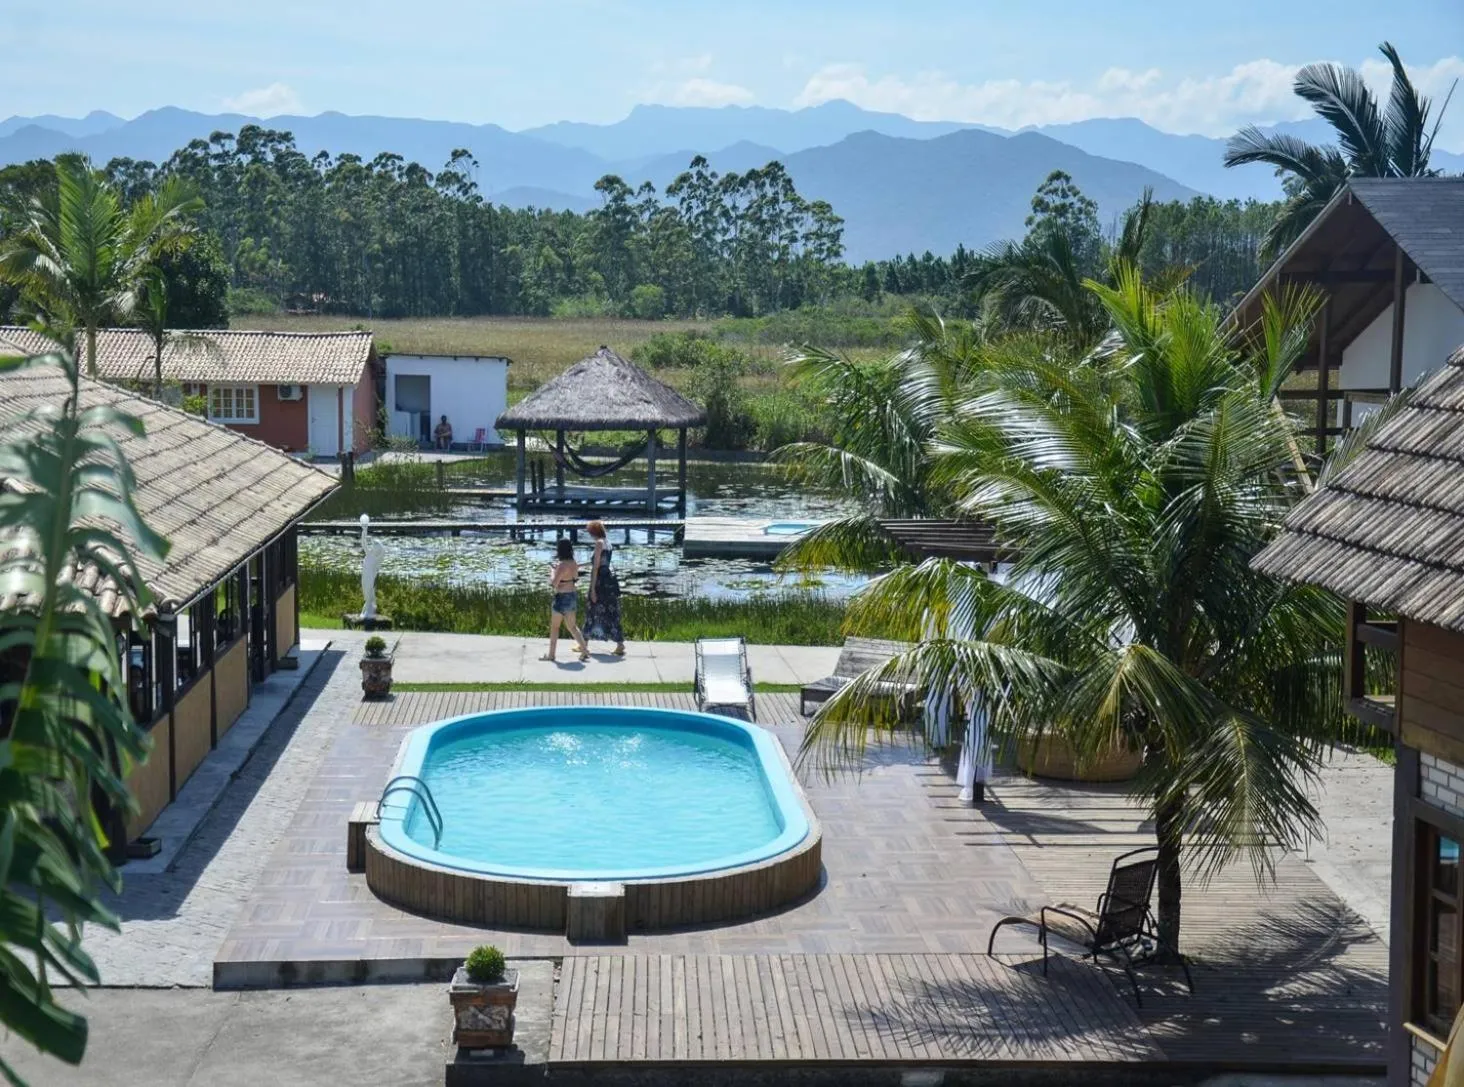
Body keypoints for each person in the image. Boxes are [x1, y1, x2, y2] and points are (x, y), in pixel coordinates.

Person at [542, 539, 589, 662]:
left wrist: (552, 571)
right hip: (572, 595)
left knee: (555, 627)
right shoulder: (573, 562)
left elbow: (554, 584)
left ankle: (551, 655)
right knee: (573, 627)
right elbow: (575, 578)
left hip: (561, 598)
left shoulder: (561, 565)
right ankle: (584, 650)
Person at [582, 520, 625, 656]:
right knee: (611, 613)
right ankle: (620, 644)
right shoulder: (607, 542)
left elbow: (596, 567)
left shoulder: (599, 543)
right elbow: (602, 562)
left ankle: (584, 644)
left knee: (591, 611)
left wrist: (593, 588)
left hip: (600, 582)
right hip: (609, 582)